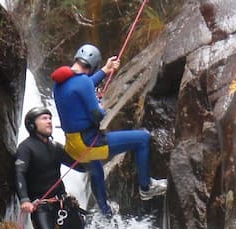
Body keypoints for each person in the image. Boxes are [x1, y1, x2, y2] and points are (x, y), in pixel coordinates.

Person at [51, 43, 167, 204]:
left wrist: (106, 70)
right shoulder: (82, 81)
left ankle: (105, 213)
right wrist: (100, 104)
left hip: (73, 145)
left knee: (97, 170)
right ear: (92, 66)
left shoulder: (60, 83)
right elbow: (97, 115)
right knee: (143, 139)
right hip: (88, 144)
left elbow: (83, 86)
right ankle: (146, 188)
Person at [15, 106, 99, 229]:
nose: (49, 121)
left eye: (50, 118)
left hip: (62, 204)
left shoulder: (55, 147)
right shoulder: (26, 148)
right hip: (41, 207)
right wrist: (24, 199)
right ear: (32, 125)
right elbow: (19, 173)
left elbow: (80, 166)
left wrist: (91, 151)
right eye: (44, 118)